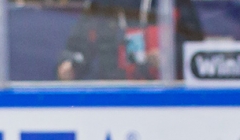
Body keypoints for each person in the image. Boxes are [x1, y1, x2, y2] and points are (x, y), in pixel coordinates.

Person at [56, 0, 204, 81]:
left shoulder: (173, 3)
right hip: (115, 95)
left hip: (162, 95)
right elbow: (79, 45)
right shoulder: (100, 4)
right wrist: (69, 64)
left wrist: (169, 57)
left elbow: (194, 43)